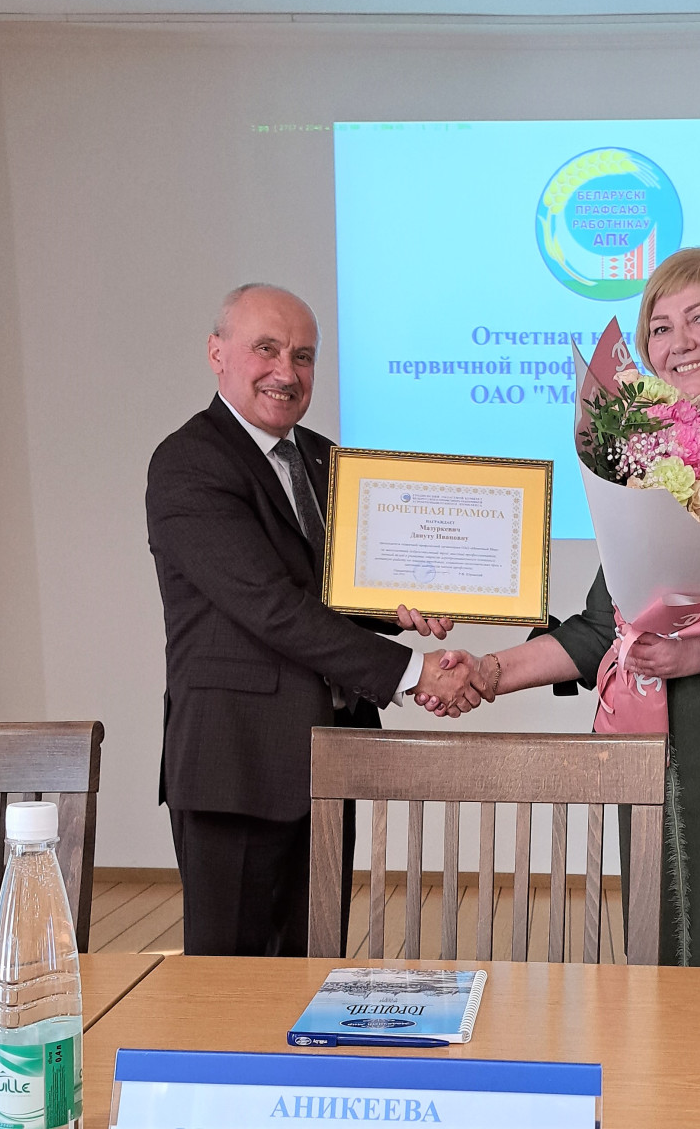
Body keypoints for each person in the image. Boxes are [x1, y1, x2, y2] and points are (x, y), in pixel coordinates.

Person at [424, 246, 700, 970]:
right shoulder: (647, 451)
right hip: (657, 758)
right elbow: (605, 627)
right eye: (660, 329)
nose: (679, 343)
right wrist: (487, 671)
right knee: (664, 969)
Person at [146, 283, 482, 956]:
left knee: (312, 967)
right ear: (217, 353)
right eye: (266, 349)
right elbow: (269, 606)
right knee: (229, 982)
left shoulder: (323, 459)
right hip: (236, 766)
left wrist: (402, 602)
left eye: (303, 356)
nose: (286, 371)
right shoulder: (189, 461)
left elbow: (330, 590)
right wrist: (412, 672)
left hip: (329, 757)